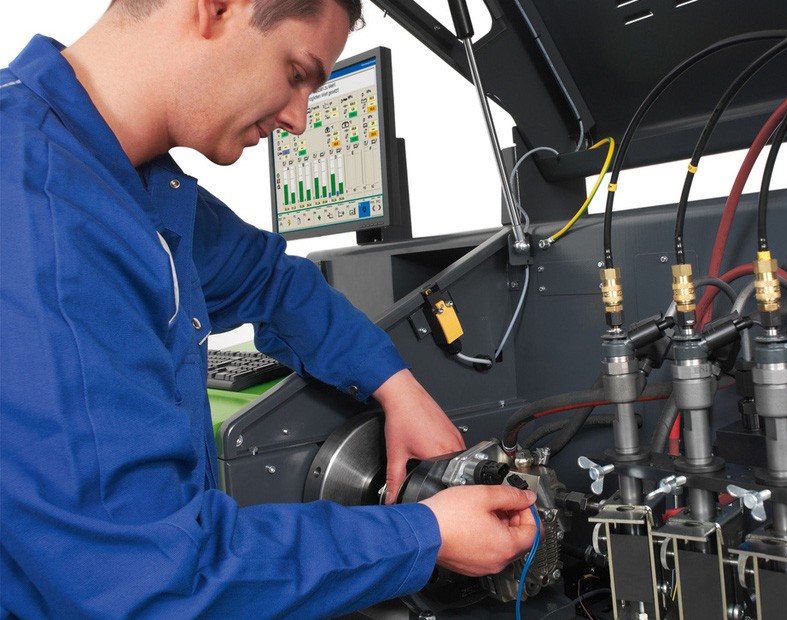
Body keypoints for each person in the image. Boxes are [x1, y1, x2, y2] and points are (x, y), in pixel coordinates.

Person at [0, 0, 538, 617]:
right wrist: (426, 534)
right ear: (217, 9)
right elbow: (150, 583)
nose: (299, 121)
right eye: (296, 73)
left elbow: (268, 279)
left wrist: (395, 386)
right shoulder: (41, 216)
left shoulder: (114, 174)